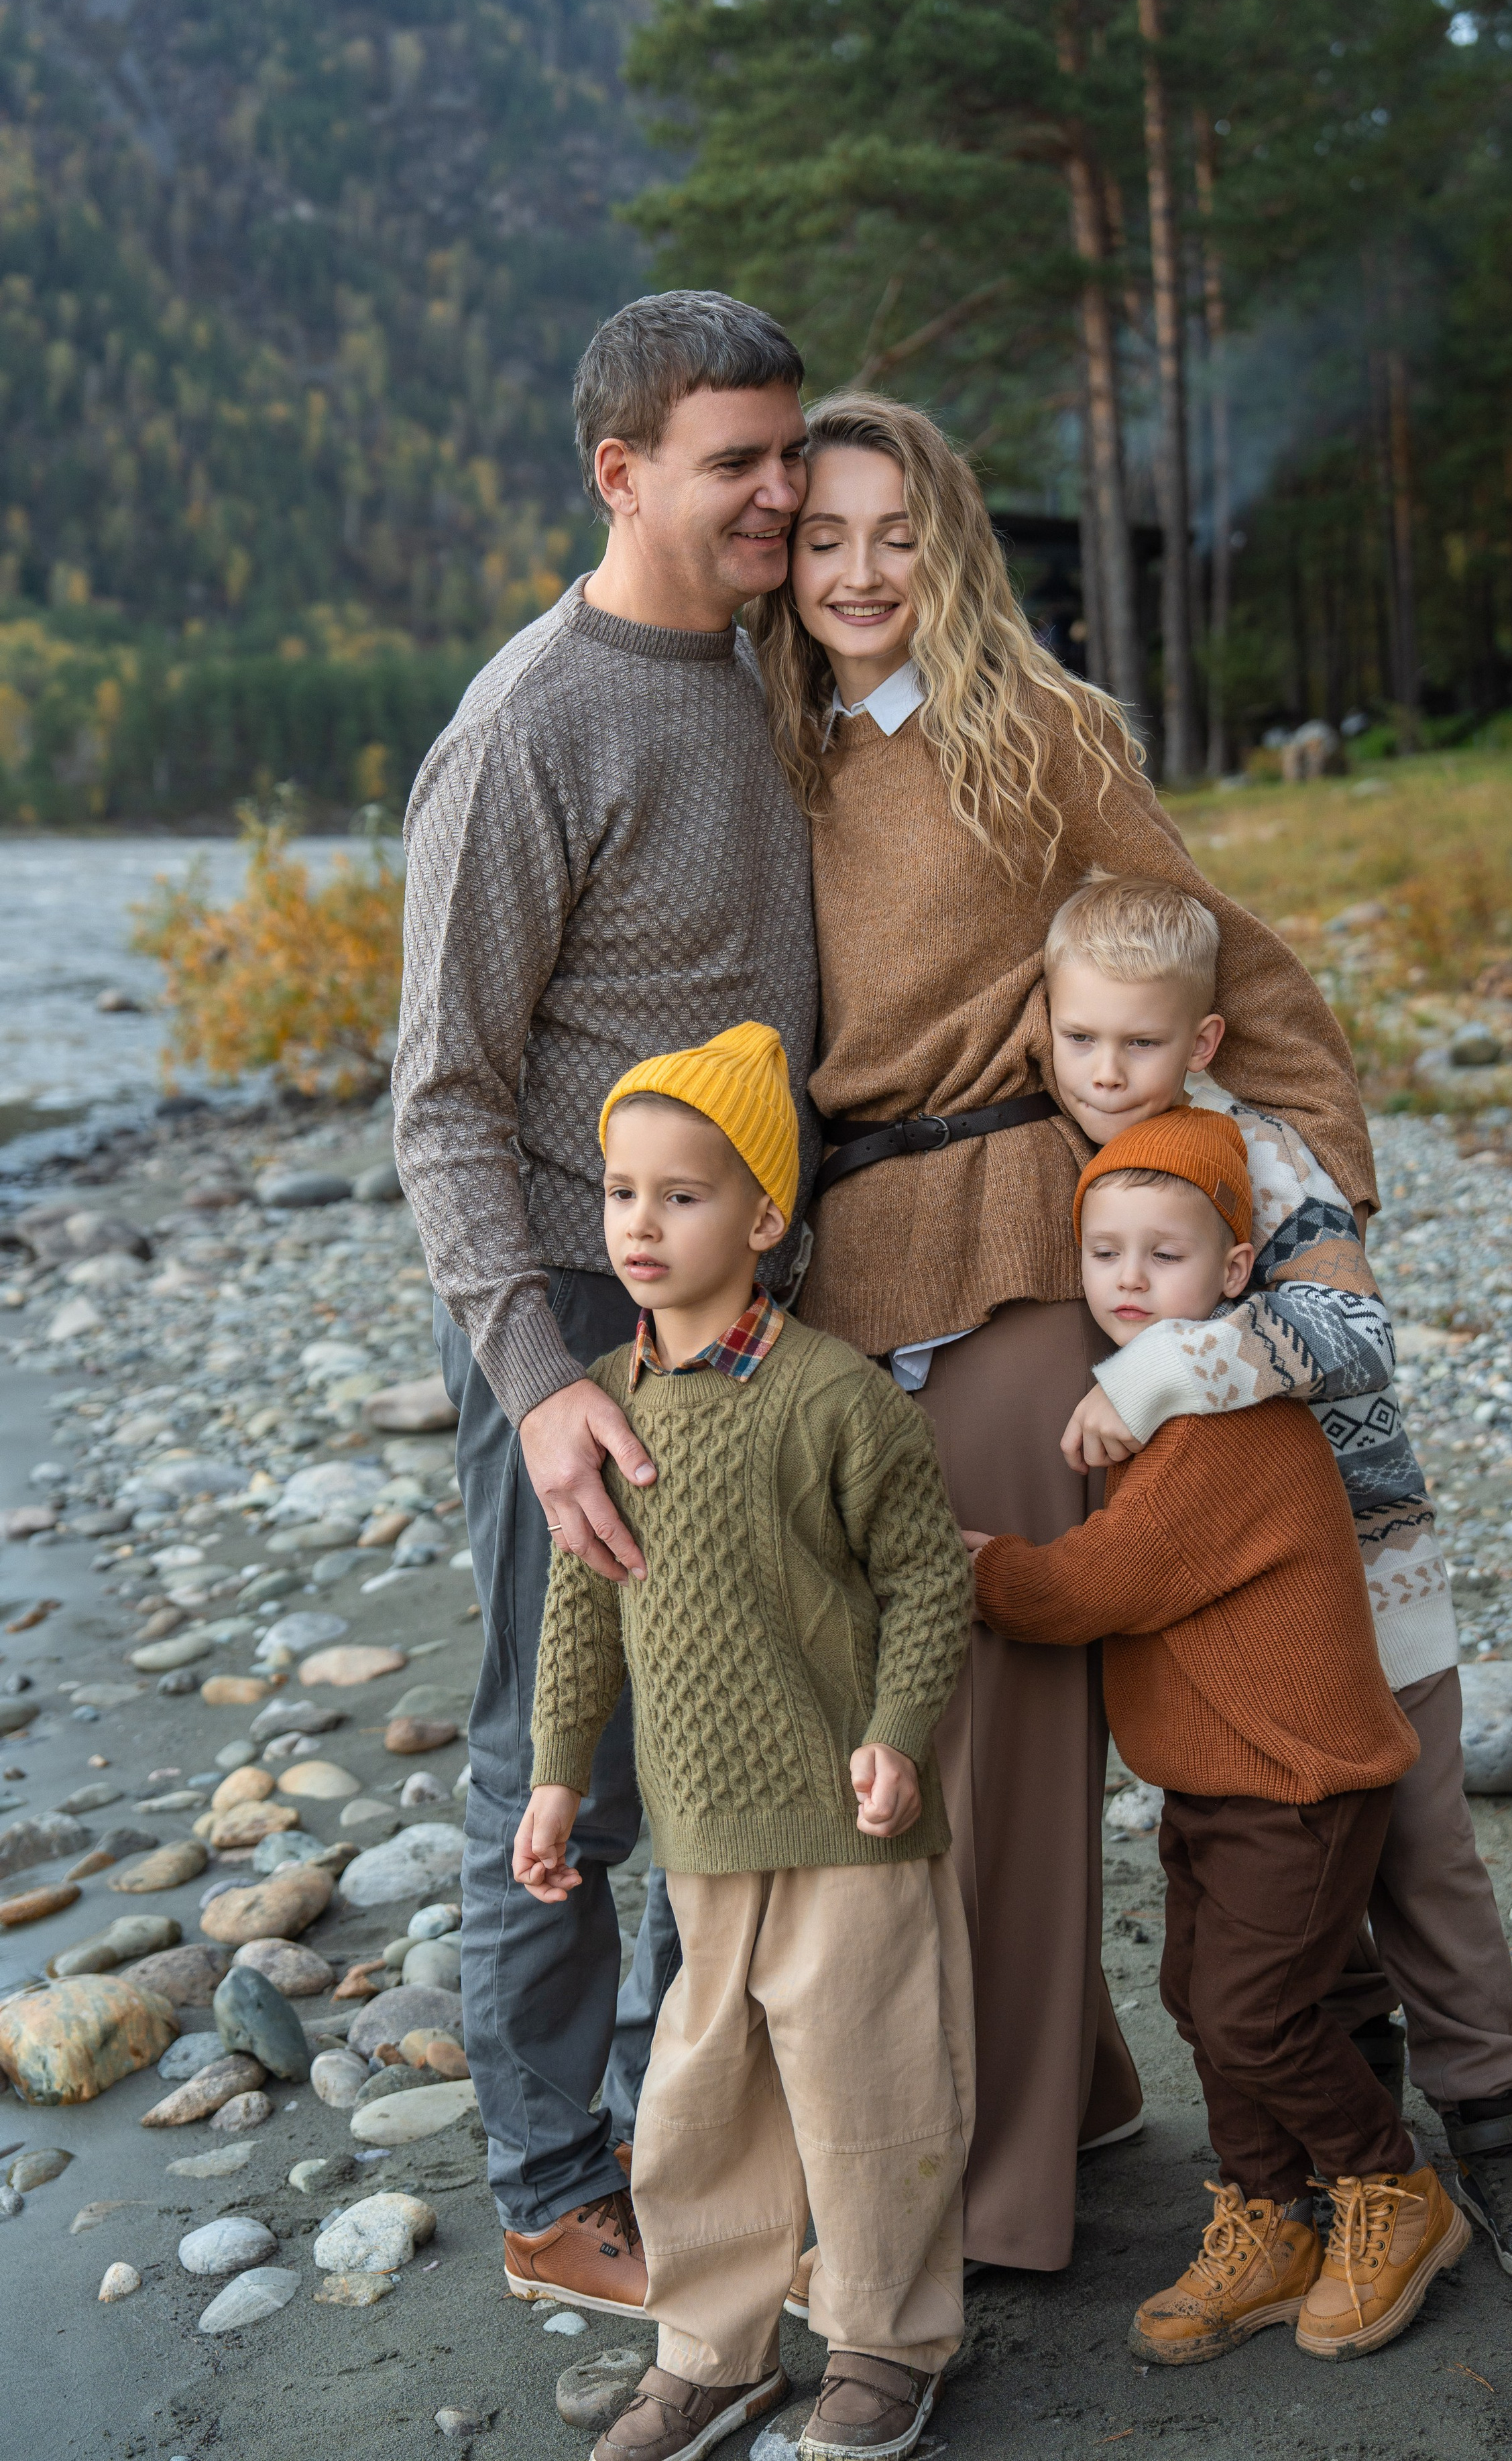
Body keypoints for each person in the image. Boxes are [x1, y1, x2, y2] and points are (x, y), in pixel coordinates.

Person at [748, 389, 1381, 2273]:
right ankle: (1080, 2084)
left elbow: (1225, 963)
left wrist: (1313, 1211)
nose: (860, 571)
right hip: (842, 1275)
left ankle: (1002, 2186)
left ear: (948, 546)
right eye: (824, 535)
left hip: (1023, 1247)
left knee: (1003, 1735)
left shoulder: (1043, 733)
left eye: (897, 533)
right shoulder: (761, 738)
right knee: (878, 1733)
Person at [394, 290, 821, 2313]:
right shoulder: (526, 727)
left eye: (789, 453)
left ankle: (680, 2140)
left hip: (746, 1315)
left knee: (730, 1741)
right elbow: (442, 1098)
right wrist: (540, 1379)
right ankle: (556, 2195)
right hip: (581, 1309)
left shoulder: (757, 673)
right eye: (736, 461)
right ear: (619, 472)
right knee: (563, 1755)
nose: (779, 493)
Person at [1048, 874, 1512, 2285]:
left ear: (1202, 1042)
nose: (1104, 1071)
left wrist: (1154, 1374)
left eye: (1139, 1044)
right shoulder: (1070, 1159)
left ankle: (1491, 2118)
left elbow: (1353, 1332)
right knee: (1276, 1868)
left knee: (1419, 1852)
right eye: (1079, 1038)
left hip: (1362, 1575)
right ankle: (1347, 2137)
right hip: (1223, 1609)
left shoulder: (1258, 1153)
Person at [515, 1024, 975, 2461]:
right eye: (619, 1193)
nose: (639, 1226)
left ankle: (885, 2340)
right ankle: (713, 2354)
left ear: (764, 1219)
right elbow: (581, 1611)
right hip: (704, 1831)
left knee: (866, 2088)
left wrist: (899, 1731)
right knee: (697, 2102)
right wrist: (553, 1777)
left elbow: (930, 1580)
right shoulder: (606, 1401)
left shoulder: (834, 1396)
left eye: (681, 1195)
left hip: (848, 1821)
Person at [970, 1108, 1472, 2365]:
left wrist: (977, 1567)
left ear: (1236, 1270)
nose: (1130, 1280)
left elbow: (1097, 1587)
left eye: (1166, 1254)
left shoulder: (1222, 1424)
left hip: (1297, 1786)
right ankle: (1270, 2213)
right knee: (1200, 1996)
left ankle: (1392, 2186)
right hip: (1219, 1780)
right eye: (1106, 1254)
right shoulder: (1159, 1409)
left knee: (1254, 2012)